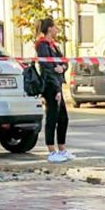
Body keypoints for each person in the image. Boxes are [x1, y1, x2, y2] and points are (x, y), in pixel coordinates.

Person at [35, 18, 70, 163]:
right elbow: (48, 69)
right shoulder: (43, 46)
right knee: (52, 118)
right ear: (49, 29)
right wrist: (56, 89)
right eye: (55, 27)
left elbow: (63, 62)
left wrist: (63, 68)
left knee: (63, 119)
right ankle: (51, 151)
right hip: (51, 86)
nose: (57, 30)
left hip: (58, 85)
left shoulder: (54, 46)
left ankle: (62, 149)